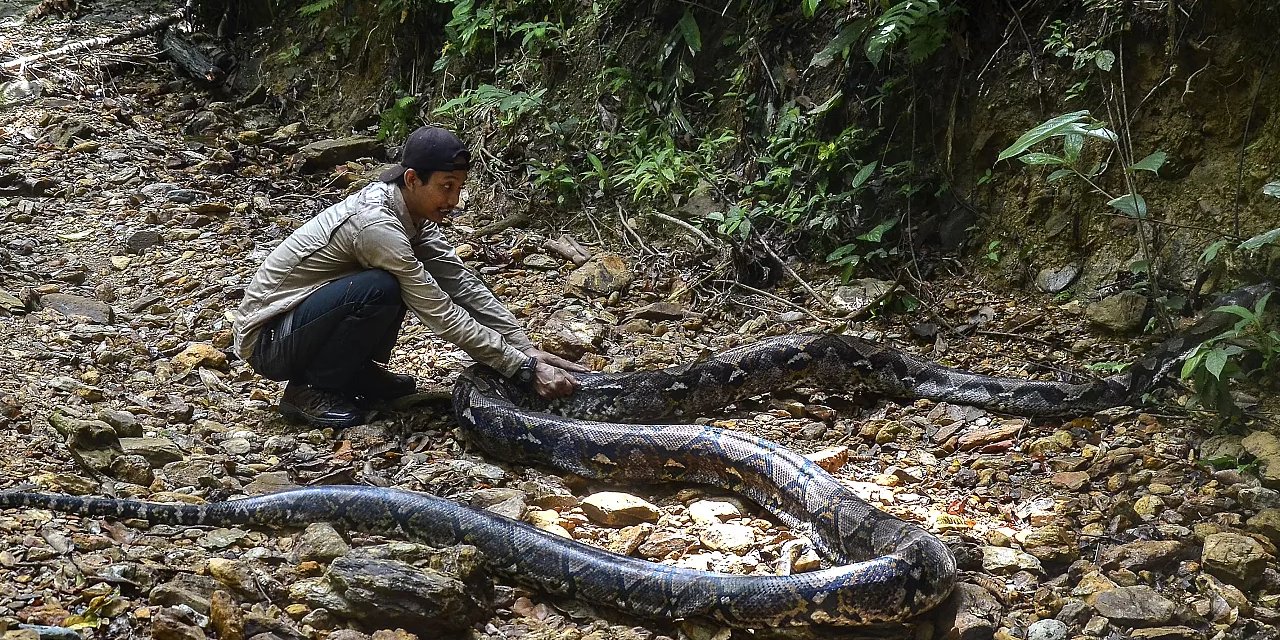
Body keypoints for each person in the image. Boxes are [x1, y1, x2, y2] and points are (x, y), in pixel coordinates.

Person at [231, 125, 584, 428]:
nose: (454, 200)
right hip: (268, 340)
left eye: (459, 188)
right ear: (412, 179)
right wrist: (521, 368)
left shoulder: (413, 217)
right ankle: (309, 390)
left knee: (387, 284)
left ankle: (351, 372)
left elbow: (460, 283)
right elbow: (439, 311)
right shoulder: (376, 226)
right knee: (381, 287)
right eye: (446, 187)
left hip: (298, 325)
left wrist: (523, 347)